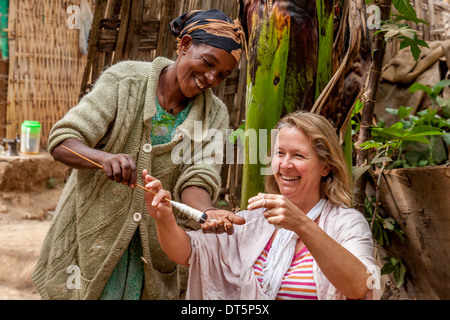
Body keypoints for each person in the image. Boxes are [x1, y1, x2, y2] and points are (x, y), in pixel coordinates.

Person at [31, 9, 246, 300]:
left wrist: (205, 212)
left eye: (222, 75)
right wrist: (103, 158)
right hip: (90, 240)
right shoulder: (125, 82)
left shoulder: (215, 114)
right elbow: (62, 141)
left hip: (151, 257)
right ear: (184, 45)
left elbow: (198, 175)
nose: (211, 78)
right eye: (208, 63)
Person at [143, 111, 381, 300]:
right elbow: (187, 253)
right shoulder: (256, 220)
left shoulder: (346, 223)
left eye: (298, 156)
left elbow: (360, 286)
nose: (285, 165)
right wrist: (164, 219)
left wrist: (301, 224)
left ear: (325, 167)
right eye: (280, 154)